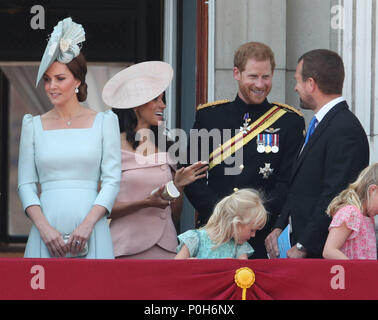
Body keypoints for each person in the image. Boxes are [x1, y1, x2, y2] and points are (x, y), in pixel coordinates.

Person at [183, 41, 305, 259]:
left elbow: (287, 183)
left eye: (265, 77)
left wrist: (253, 221)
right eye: (253, 76)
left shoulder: (289, 121)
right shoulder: (209, 117)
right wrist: (225, 219)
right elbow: (192, 177)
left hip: (260, 237)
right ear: (237, 73)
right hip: (215, 235)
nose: (260, 84)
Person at [17, 17, 121, 258]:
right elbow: (25, 184)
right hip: (45, 232)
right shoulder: (32, 125)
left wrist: (88, 225)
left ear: (77, 81)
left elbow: (112, 181)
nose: (51, 86)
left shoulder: (105, 122)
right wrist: (44, 229)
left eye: (59, 78)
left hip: (92, 229)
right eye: (47, 79)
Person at [265, 49, 370, 259]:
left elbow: (336, 195)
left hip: (321, 258)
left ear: (311, 84)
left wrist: (304, 245)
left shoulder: (344, 129)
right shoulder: (321, 124)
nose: (295, 87)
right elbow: (300, 188)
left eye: (298, 81)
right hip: (301, 247)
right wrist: (279, 226)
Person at [102, 61, 208, 259]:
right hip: (124, 249)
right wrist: (145, 203)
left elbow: (174, 214)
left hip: (165, 248)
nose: (163, 105)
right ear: (135, 105)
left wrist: (178, 186)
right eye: (156, 100)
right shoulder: (110, 146)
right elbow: (102, 210)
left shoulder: (169, 146)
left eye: (163, 99)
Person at [175, 188, 267, 259]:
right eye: (252, 230)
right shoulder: (195, 239)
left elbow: (243, 275)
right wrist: (189, 264)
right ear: (237, 223)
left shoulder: (240, 248)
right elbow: (175, 268)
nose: (254, 235)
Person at [322, 163, 377, 259]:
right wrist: (354, 270)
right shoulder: (351, 213)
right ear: (373, 190)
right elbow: (329, 250)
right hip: (351, 273)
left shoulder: (369, 218)